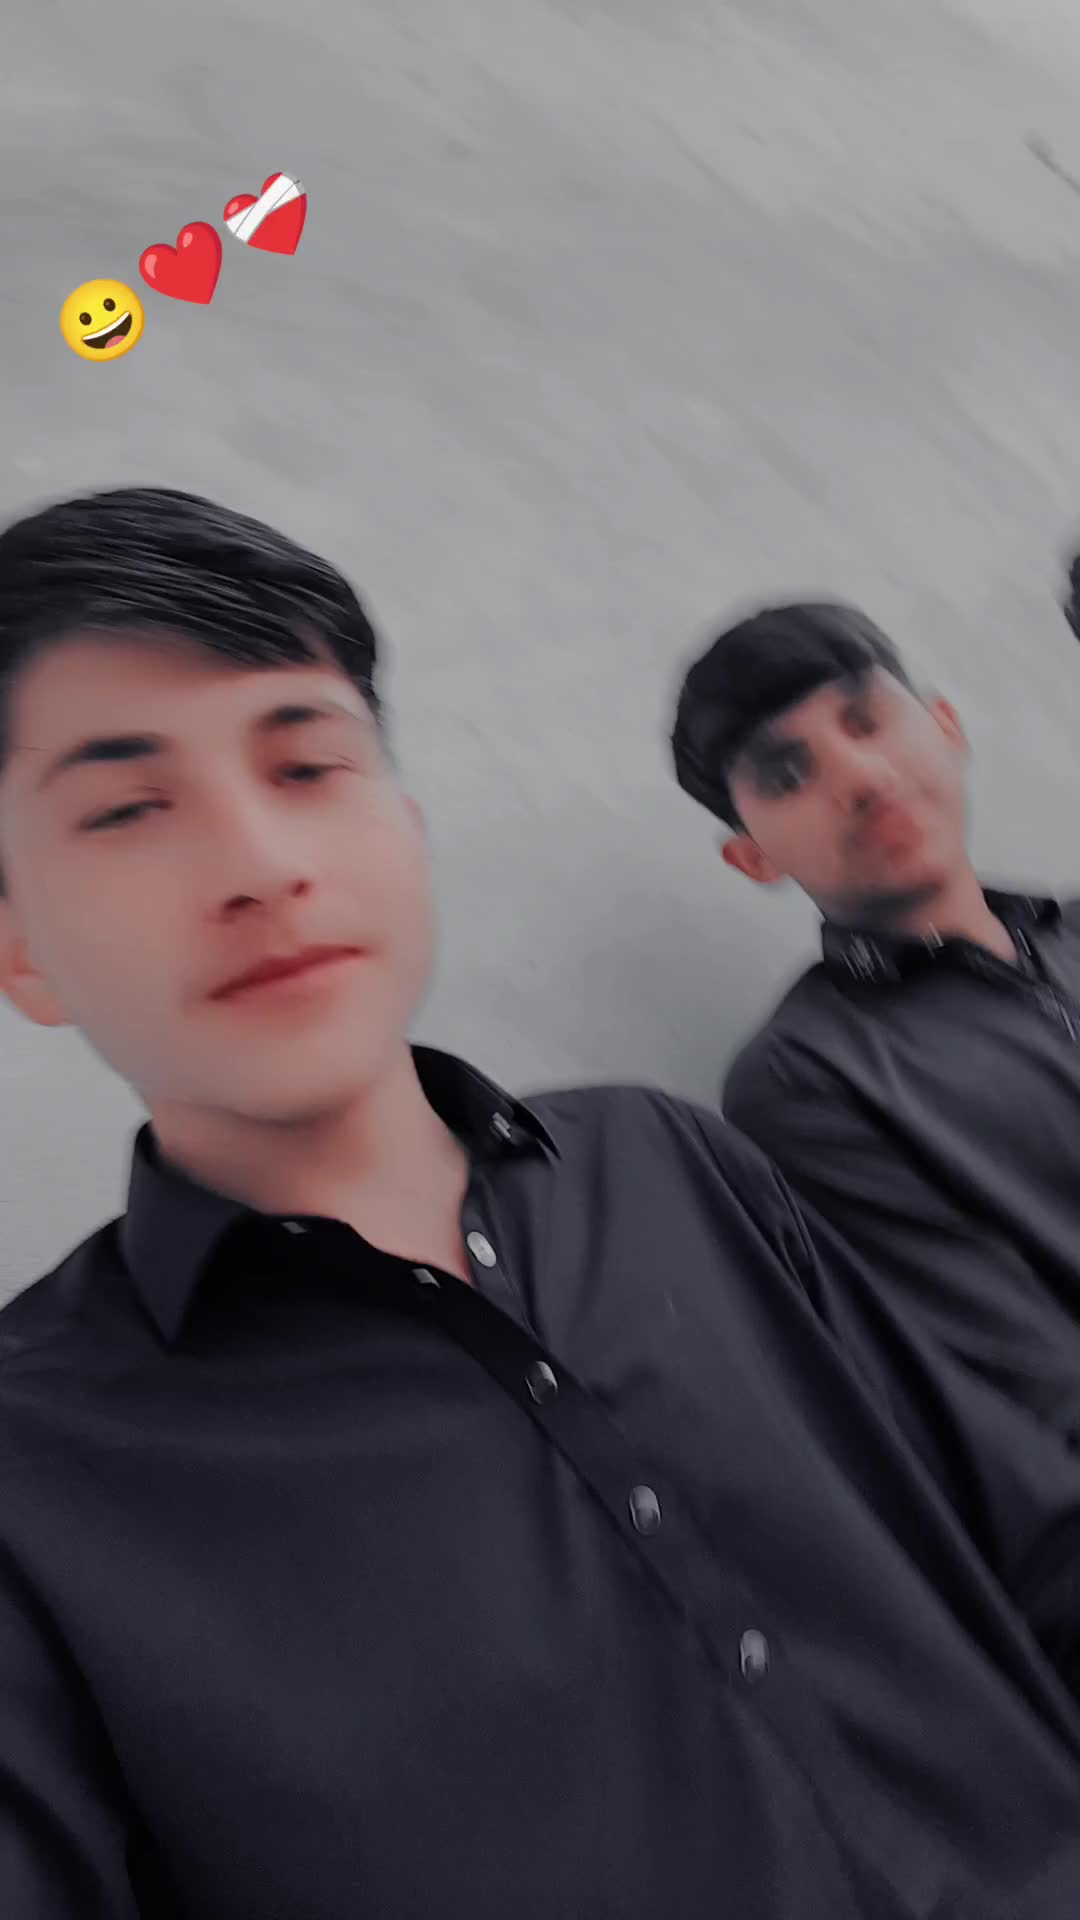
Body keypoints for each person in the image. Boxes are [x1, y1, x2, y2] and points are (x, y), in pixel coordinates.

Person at [0, 494, 1077, 1920]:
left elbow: (1024, 1531)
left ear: (405, 823)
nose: (260, 863)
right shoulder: (36, 1472)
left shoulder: (669, 1162)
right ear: (20, 947)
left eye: (308, 764)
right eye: (129, 808)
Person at [670, 601, 1080, 1449]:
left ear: (946, 725)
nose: (859, 776)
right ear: (752, 856)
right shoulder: (805, 1078)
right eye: (787, 773)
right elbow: (1038, 1400)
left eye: (867, 720)